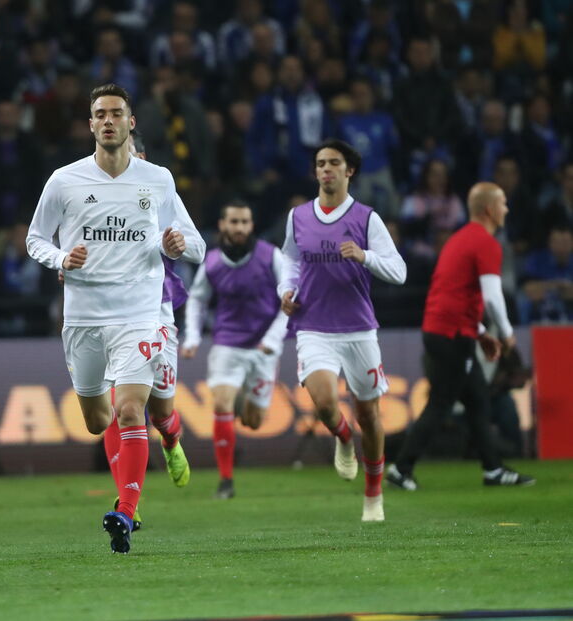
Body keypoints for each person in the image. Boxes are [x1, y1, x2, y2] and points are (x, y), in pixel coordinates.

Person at [26, 84, 204, 553]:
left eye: (116, 113)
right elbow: (34, 239)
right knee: (96, 419)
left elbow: (198, 244)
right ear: (90, 125)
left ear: (131, 122)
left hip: (140, 316)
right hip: (83, 320)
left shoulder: (157, 179)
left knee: (130, 408)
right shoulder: (64, 180)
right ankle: (161, 446)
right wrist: (61, 259)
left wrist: (180, 247)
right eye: (99, 114)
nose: (108, 121)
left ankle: (125, 512)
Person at [279, 139, 407, 522]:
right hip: (313, 325)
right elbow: (289, 257)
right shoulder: (298, 216)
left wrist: (364, 256)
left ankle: (373, 495)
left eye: (334, 163)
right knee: (323, 402)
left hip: (358, 330)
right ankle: (343, 439)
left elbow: (399, 271)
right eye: (320, 163)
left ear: (349, 171)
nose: (326, 169)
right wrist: (285, 289)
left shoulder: (366, 219)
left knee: (369, 415)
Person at [386, 182, 537, 490]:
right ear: (489, 209)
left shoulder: (458, 240)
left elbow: (452, 295)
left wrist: (480, 332)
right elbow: (493, 297)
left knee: (478, 399)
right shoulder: (485, 243)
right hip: (451, 334)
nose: (506, 209)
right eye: (503, 203)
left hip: (446, 330)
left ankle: (493, 469)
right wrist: (506, 334)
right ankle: (401, 469)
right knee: (441, 402)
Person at [100, 130, 200, 531]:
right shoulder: (92, 194)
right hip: (106, 315)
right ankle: (128, 502)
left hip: (155, 314)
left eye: (133, 151)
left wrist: (178, 244)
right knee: (120, 408)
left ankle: (172, 440)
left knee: (160, 411)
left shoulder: (159, 189)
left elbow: (198, 246)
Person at [181, 200, 289, 499]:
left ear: (251, 225)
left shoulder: (271, 257)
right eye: (234, 222)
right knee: (221, 403)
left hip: (264, 347)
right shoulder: (213, 262)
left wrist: (273, 339)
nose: (239, 228)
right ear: (223, 225)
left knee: (253, 422)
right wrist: (192, 338)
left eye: (244, 222)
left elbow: (290, 302)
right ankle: (226, 481)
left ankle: (242, 394)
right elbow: (197, 299)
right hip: (227, 342)